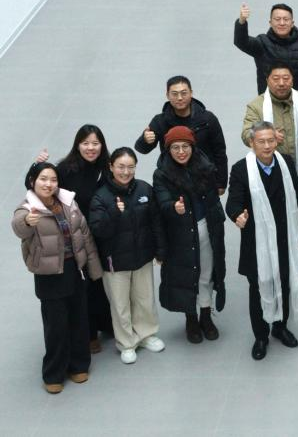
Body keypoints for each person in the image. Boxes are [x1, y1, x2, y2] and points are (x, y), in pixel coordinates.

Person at [12, 162, 103, 394]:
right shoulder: (28, 208)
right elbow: (19, 227)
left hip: (75, 269)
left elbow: (85, 235)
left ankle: (79, 365)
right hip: (49, 275)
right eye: (43, 179)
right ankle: (54, 373)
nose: (49, 184)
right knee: (56, 326)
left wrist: (94, 269)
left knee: (79, 320)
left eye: (53, 179)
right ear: (32, 181)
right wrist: (27, 222)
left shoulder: (68, 201)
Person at [226, 121, 298, 360]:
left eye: (271, 140)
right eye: (261, 141)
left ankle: (280, 327)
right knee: (259, 286)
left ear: (276, 141)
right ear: (252, 143)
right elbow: (233, 201)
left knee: (284, 281)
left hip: (284, 236)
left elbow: (297, 198)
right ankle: (260, 336)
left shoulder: (286, 163)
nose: (267, 146)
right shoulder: (241, 169)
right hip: (257, 241)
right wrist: (237, 215)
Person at [36, 125, 114, 354]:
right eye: (85, 143)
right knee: (86, 286)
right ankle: (89, 334)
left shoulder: (107, 167)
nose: (91, 148)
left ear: (102, 145)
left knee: (101, 283)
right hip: (78, 237)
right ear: (77, 145)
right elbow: (42, 188)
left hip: (103, 234)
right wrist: (37, 166)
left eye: (95, 143)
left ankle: (106, 323)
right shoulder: (65, 169)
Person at [241, 61, 298, 291]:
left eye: (286, 78)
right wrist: (266, 135)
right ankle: (275, 268)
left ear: (293, 80)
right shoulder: (257, 105)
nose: (281, 83)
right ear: (267, 80)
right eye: (276, 78)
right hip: (271, 173)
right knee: (273, 220)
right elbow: (246, 133)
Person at [88, 148, 166, 365]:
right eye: (121, 166)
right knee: (120, 305)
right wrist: (114, 212)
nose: (126, 172)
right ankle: (127, 343)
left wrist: (160, 250)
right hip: (115, 262)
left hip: (142, 257)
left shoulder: (144, 189)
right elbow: (98, 230)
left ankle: (146, 334)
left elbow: (156, 222)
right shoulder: (101, 196)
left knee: (145, 299)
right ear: (111, 167)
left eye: (130, 167)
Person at [153, 127, 227, 344]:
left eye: (185, 146)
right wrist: (173, 207)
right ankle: (191, 319)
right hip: (181, 234)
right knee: (187, 276)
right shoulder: (162, 174)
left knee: (207, 273)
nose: (181, 151)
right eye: (175, 147)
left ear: (193, 147)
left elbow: (213, 199)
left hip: (206, 228)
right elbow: (162, 202)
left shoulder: (205, 166)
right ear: (168, 150)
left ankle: (206, 314)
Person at [134, 75, 228, 195]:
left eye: (184, 93)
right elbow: (141, 149)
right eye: (174, 94)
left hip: (204, 179)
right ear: (167, 95)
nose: (179, 98)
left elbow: (220, 152)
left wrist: (221, 182)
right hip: (173, 181)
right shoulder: (160, 121)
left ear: (191, 93)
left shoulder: (208, 118)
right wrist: (145, 140)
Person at [235, 2, 298, 94]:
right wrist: (242, 21)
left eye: (286, 19)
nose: (282, 23)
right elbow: (241, 42)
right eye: (277, 19)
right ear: (270, 23)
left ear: (292, 23)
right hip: (268, 98)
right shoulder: (262, 42)